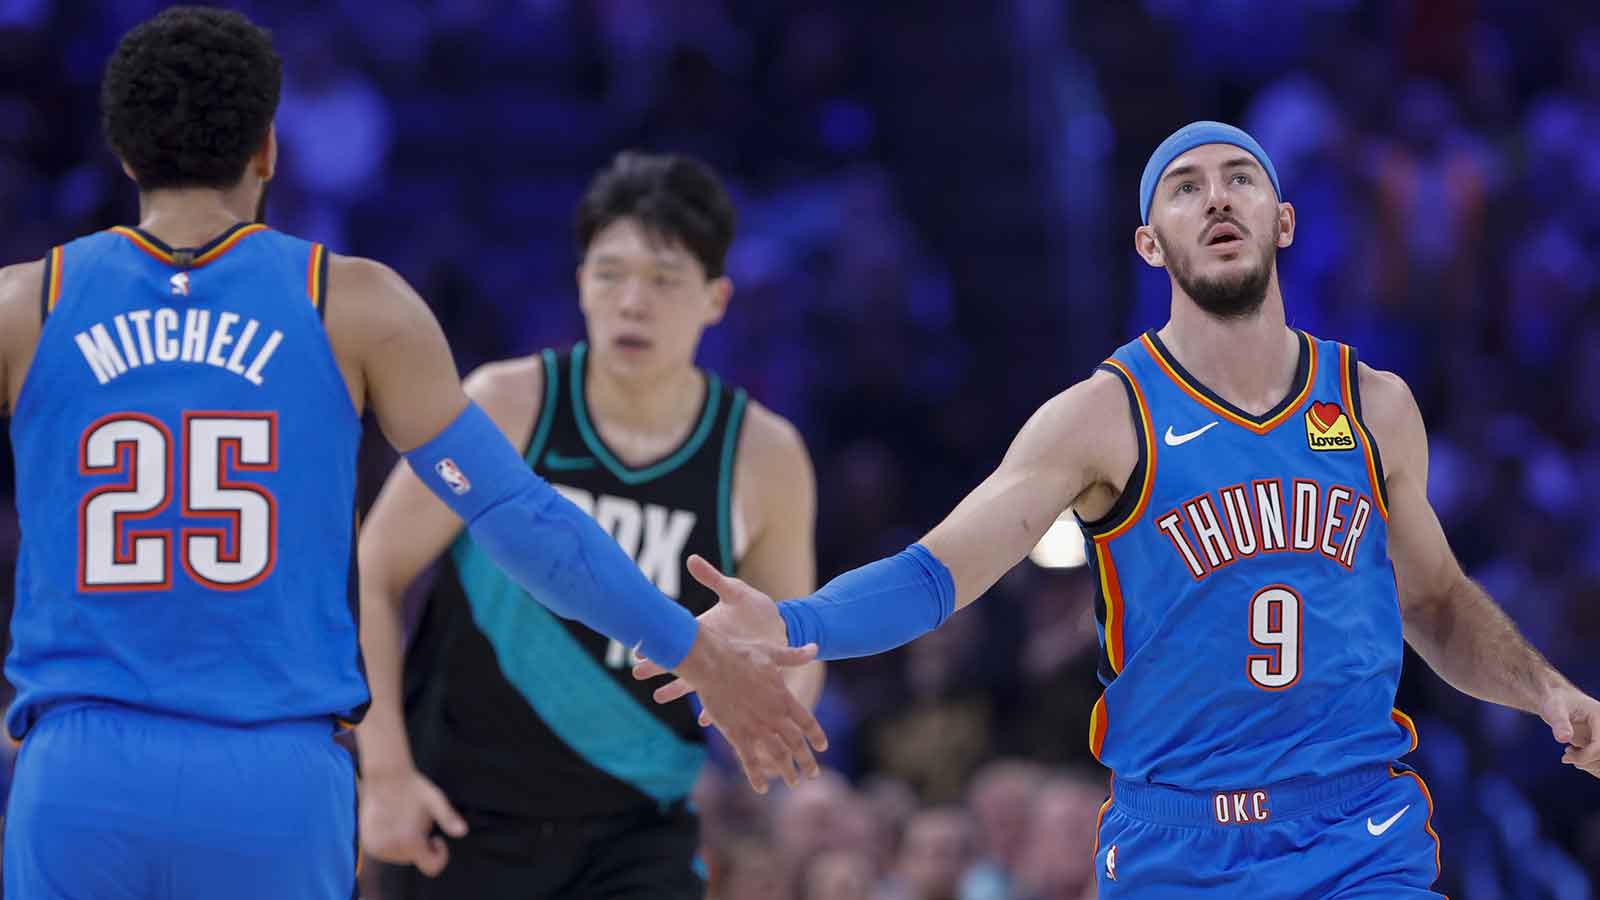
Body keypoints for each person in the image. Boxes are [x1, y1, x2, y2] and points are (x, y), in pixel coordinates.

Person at [640, 121, 1600, 896]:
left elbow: (1432, 602)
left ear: (1284, 220)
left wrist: (1548, 691)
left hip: (1356, 833)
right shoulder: (1104, 417)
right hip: (1176, 843)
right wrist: (795, 621)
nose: (1217, 196)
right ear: (1150, 243)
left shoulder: (1374, 403)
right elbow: (941, 573)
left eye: (1240, 178)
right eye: (1185, 186)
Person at [0, 9, 821, 899]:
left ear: (123, 156)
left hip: (79, 772)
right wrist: (692, 649)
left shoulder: (23, 306)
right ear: (270, 149)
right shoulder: (352, 305)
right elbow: (524, 522)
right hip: (274, 777)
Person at [356, 151, 825, 899]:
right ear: (579, 283)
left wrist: (774, 718)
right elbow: (371, 575)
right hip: (461, 815)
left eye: (664, 279)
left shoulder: (764, 455)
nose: (632, 302)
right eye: (609, 274)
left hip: (636, 835)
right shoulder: (508, 404)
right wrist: (383, 773)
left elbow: (795, 647)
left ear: (716, 299)